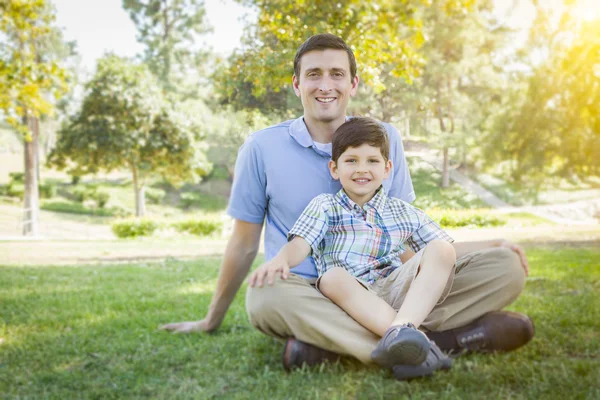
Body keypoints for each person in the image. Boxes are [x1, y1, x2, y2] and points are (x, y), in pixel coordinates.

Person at [161, 34, 534, 377]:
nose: (326, 85)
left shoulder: (385, 138)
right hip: (312, 292)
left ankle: (345, 346)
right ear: (297, 84)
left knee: (506, 267)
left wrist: (491, 246)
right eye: (314, 75)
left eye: (337, 74)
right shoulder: (261, 148)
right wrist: (211, 319)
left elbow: (407, 241)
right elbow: (244, 243)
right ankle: (434, 343)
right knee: (264, 295)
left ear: (352, 84)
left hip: (390, 284)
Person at [247, 117, 459, 379]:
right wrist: (281, 260)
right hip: (346, 298)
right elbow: (301, 243)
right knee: (331, 278)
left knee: (442, 249)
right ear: (334, 168)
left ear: (387, 168)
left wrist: (496, 244)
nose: (362, 169)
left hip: (397, 291)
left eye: (372, 161)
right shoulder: (325, 206)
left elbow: (446, 251)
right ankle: (424, 345)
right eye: (351, 161)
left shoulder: (403, 212)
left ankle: (402, 330)